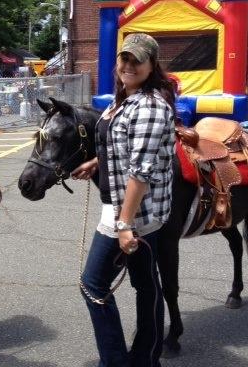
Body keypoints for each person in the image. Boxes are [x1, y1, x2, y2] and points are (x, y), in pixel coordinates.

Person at [71, 33, 177, 367]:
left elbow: (140, 171)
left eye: (137, 60)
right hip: (129, 209)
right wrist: (97, 162)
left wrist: (124, 223)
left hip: (134, 214)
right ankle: (146, 358)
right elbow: (124, 148)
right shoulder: (126, 99)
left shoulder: (148, 107)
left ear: (152, 65)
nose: (128, 65)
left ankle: (116, 361)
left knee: (92, 284)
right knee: (147, 284)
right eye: (124, 59)